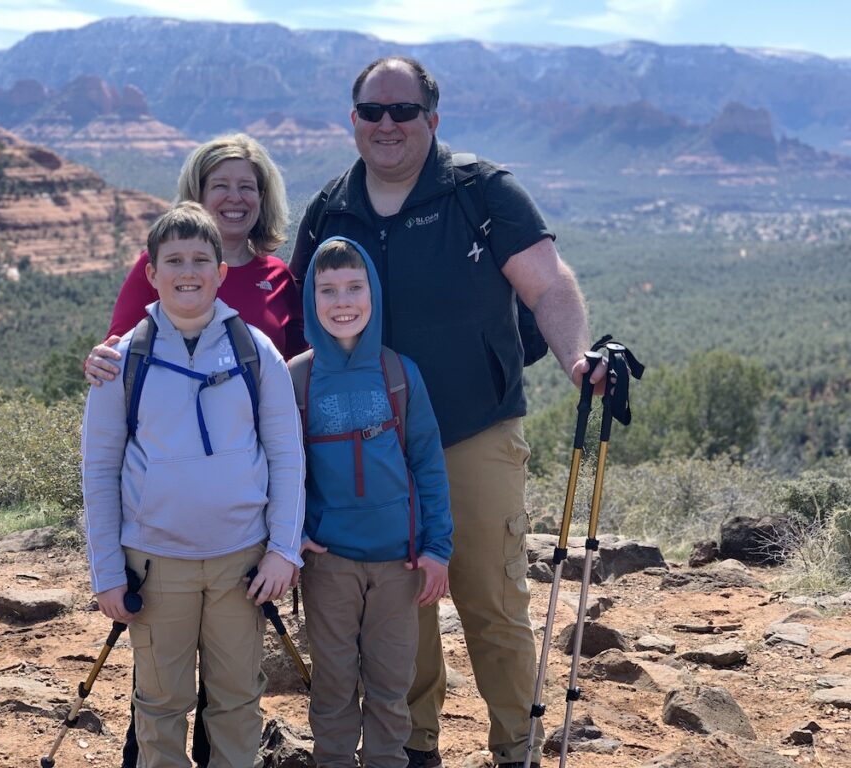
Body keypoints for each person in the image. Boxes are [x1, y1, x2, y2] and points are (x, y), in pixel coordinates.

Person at [289, 56, 606, 768]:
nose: (388, 124)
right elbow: (295, 326)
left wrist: (576, 359)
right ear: (354, 122)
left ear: (433, 119)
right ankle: (415, 747)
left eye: (404, 110)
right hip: (367, 447)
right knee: (406, 609)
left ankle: (515, 747)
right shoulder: (332, 210)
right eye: (373, 111)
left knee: (492, 602)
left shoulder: (480, 191)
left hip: (475, 431)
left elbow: (548, 284)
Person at [82, 133, 305, 768]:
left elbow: (286, 451)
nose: (187, 273)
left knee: (237, 704)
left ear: (221, 273)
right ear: (150, 272)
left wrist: (285, 546)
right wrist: (105, 570)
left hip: (243, 561)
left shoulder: (255, 348)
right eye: (173, 262)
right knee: (159, 705)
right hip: (156, 563)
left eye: (199, 262)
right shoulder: (127, 359)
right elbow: (99, 466)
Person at [295, 236, 453, 768]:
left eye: (354, 288)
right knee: (333, 687)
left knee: (391, 689)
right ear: (311, 299)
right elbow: (279, 469)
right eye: (328, 290)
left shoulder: (399, 374)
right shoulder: (297, 378)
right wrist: (290, 536)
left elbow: (428, 464)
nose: (343, 301)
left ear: (374, 294)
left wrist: (438, 548)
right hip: (329, 563)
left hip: (399, 564)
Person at [85, 132, 305, 387]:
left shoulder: (277, 276)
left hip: (257, 426)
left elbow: (298, 368)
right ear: (197, 195)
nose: (235, 197)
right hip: (173, 422)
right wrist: (95, 362)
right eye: (220, 185)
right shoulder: (163, 267)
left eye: (246, 186)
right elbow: (115, 353)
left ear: (262, 197)